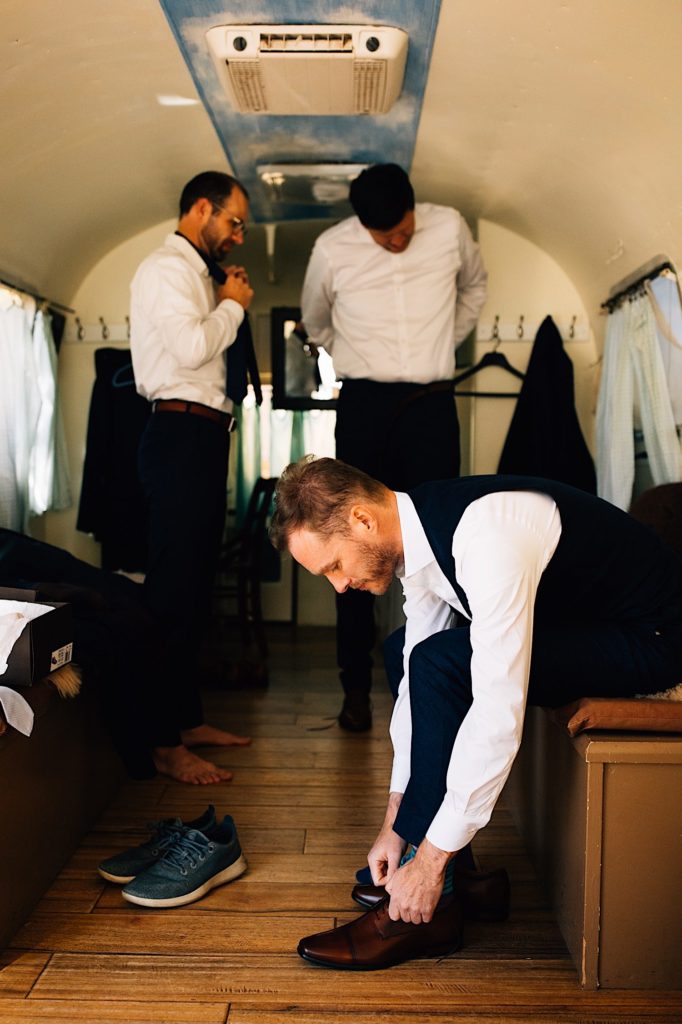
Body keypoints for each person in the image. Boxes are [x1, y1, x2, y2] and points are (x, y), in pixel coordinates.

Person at [269, 456, 682, 970]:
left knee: (439, 664)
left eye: (333, 566)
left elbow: (497, 709)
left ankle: (432, 900)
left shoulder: (488, 535)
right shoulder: (417, 535)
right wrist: (397, 820)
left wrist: (429, 858)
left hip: (655, 639)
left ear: (361, 520)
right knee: (410, 656)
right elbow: (414, 692)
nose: (339, 585)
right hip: (591, 626)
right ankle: (461, 879)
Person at [299, 163, 488, 732]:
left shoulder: (450, 226)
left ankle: (441, 681)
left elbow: (474, 288)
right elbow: (316, 322)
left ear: (414, 207)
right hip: (364, 409)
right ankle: (354, 688)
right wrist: (366, 359)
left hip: (432, 403)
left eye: (404, 230)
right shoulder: (331, 248)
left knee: (444, 539)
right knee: (346, 540)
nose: (398, 241)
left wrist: (438, 345)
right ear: (363, 226)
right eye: (386, 239)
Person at [130, 170, 254, 784]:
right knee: (173, 595)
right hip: (179, 436)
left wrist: (224, 297)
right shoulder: (166, 269)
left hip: (202, 437)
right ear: (201, 208)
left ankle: (186, 720)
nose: (236, 236)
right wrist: (232, 305)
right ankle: (162, 744)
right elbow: (186, 349)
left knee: (194, 589)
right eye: (232, 222)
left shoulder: (198, 274)